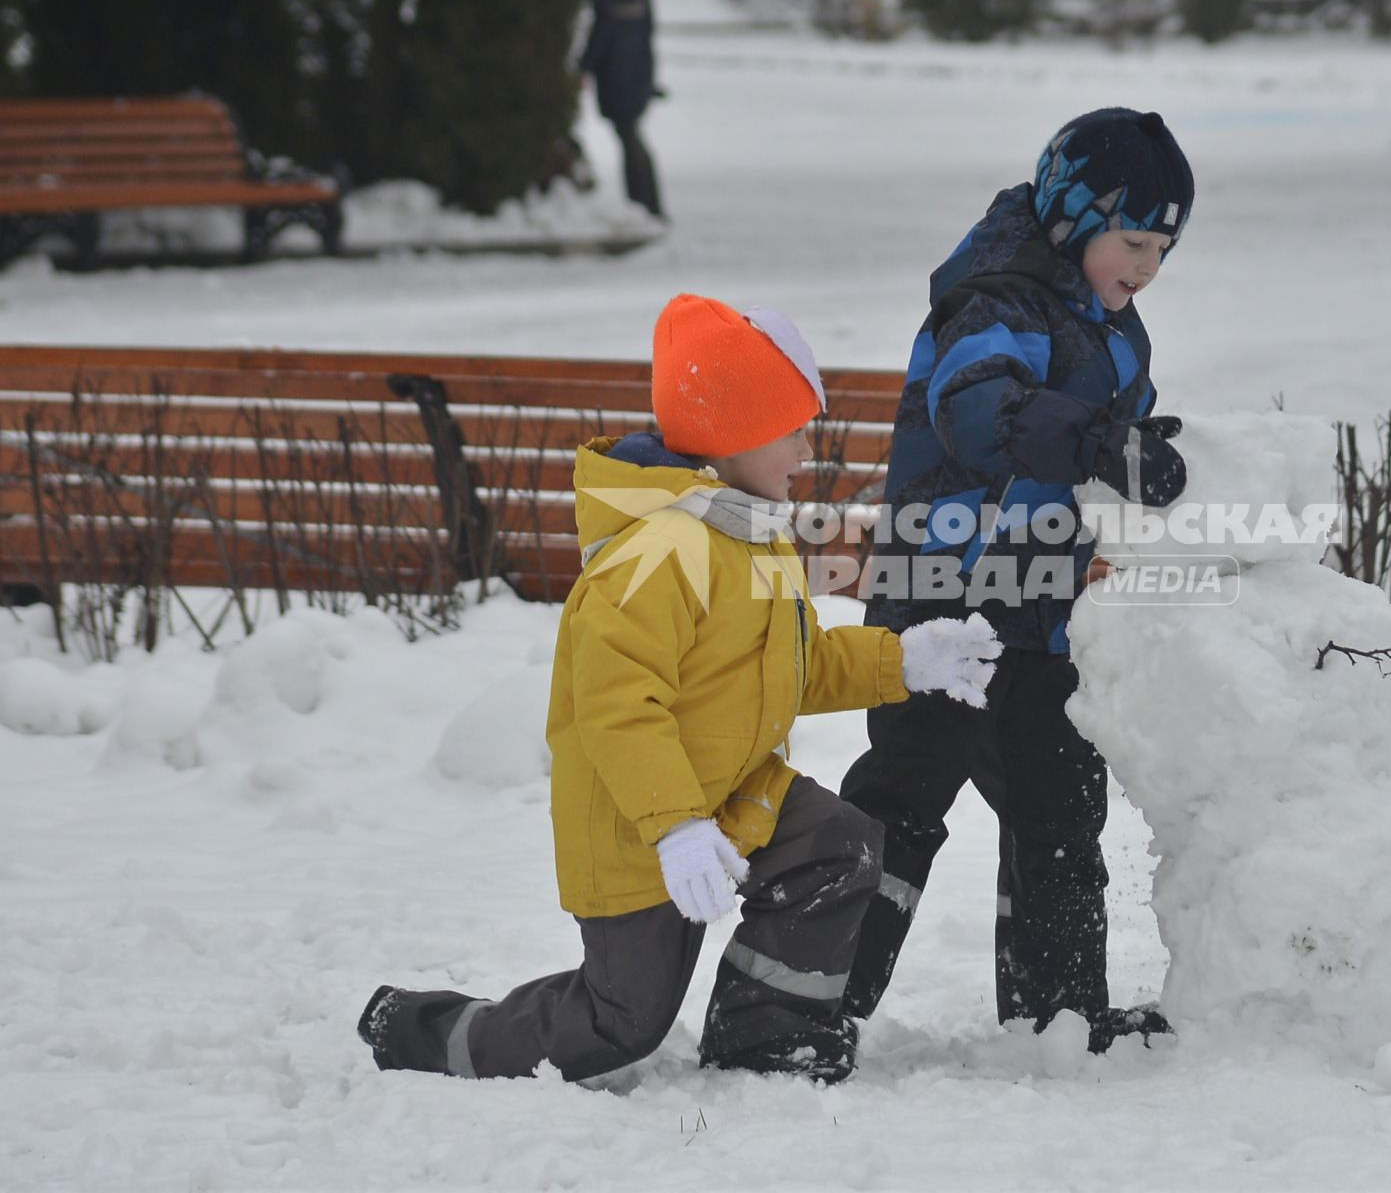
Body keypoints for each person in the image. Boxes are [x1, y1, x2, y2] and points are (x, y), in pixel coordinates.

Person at [357, 294, 1002, 1086]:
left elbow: (787, 667)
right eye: (793, 429)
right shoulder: (657, 555)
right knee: (618, 1023)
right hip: (637, 821)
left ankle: (764, 1037)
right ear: (734, 433)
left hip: (732, 788)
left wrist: (903, 661)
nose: (809, 448)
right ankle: (424, 1031)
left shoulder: (747, 534)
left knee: (837, 843)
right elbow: (618, 710)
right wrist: (675, 830)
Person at [839, 107, 1195, 1053]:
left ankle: (1060, 1014)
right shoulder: (993, 303)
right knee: (902, 804)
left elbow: (1101, 454)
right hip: (944, 603)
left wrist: (1137, 466)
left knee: (1061, 808)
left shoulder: (1118, 333)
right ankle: (799, 1003)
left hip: (1041, 610)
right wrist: (1092, 439)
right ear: (1075, 219)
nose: (1149, 264)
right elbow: (976, 408)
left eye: (1165, 246)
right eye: (1133, 239)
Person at [580, 0, 664, 217]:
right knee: (631, 134)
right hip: (635, 59)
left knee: (628, 134)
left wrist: (585, 64)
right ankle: (645, 204)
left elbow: (607, 19)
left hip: (619, 62)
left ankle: (644, 205)